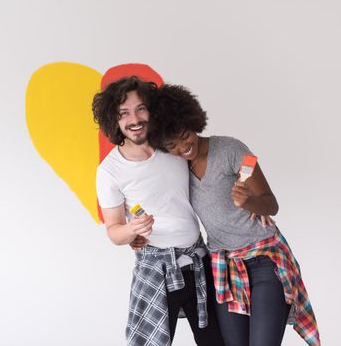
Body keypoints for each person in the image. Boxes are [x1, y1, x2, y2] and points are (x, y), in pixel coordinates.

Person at [147, 83, 321, 346]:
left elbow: (271, 205)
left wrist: (249, 201)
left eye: (185, 135)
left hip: (264, 260)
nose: (183, 147)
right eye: (172, 145)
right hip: (224, 267)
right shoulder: (177, 170)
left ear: (192, 122)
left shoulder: (230, 149)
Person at [93, 76, 225, 346]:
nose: (135, 119)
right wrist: (132, 231)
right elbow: (114, 231)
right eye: (124, 113)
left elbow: (208, 173)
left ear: (152, 110)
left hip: (198, 260)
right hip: (156, 269)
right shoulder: (109, 171)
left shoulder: (171, 146)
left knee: (217, 341)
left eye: (141, 108)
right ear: (114, 120)